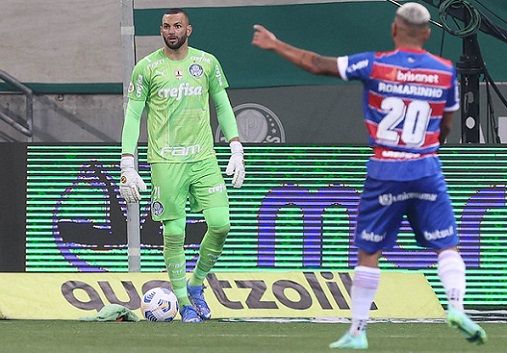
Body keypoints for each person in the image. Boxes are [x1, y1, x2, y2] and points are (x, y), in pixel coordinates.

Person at [252, 2, 487, 349]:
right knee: (447, 244)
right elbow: (445, 127)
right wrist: (425, 150)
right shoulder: (445, 72)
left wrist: (276, 44)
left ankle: (358, 331)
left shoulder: (375, 64)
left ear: (394, 29)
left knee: (369, 251)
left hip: (386, 168)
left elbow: (318, 65)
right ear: (427, 33)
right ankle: (456, 307)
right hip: (426, 167)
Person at [120, 8, 245, 323]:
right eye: (166, 26)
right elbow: (133, 116)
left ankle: (196, 283)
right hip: (165, 161)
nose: (171, 30)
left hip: (203, 158)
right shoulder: (146, 68)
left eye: (177, 25)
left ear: (189, 29)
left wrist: (236, 146)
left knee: (221, 224)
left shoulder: (207, 63)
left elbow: (223, 105)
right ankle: (184, 303)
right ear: (161, 30)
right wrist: (127, 162)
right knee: (174, 232)